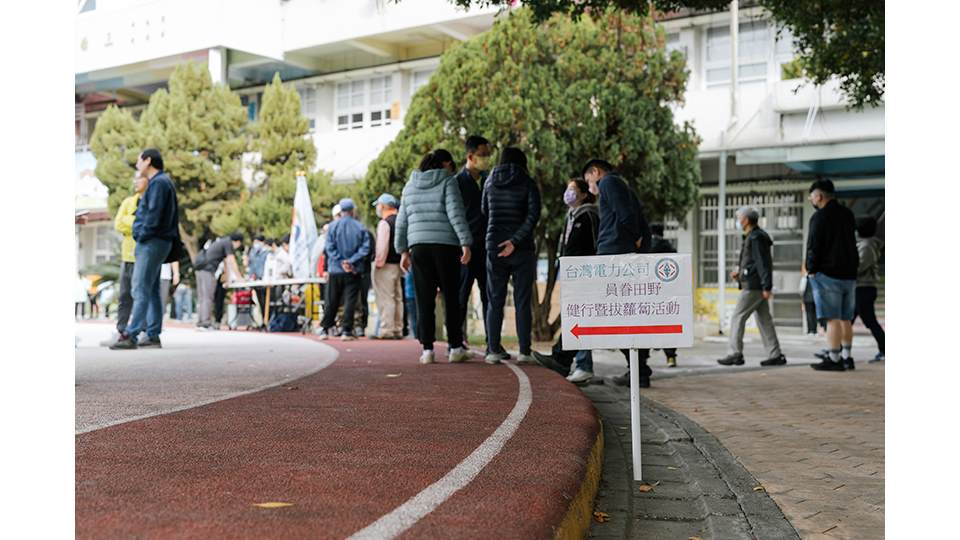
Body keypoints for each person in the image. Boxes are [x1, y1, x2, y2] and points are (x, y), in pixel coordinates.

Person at [395, 149, 473, 364]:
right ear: (444, 164)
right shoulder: (448, 182)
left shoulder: (409, 186)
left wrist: (402, 250)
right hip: (446, 246)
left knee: (424, 298)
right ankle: (455, 346)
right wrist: (465, 242)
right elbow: (455, 213)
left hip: (419, 247)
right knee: (451, 298)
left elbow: (402, 221)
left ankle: (427, 349)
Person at [582, 159, 653, 387]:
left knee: (603, 310)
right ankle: (639, 370)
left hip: (615, 253)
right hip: (618, 250)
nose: (589, 186)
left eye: (588, 180)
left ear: (596, 172)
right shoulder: (619, 184)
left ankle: (565, 358)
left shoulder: (608, 182)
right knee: (622, 313)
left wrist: (634, 237)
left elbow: (627, 215)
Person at [111, 148, 180, 349]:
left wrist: (140, 234)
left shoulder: (158, 183)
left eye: (139, 161)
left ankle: (131, 334)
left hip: (151, 242)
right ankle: (152, 334)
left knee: (139, 287)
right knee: (150, 289)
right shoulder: (163, 182)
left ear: (148, 161)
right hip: (158, 241)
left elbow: (153, 216)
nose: (137, 165)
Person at [532, 178, 599, 381]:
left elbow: (595, 245)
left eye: (572, 189)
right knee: (577, 317)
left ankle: (579, 364)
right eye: (567, 189)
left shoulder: (589, 214)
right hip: (572, 273)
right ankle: (572, 362)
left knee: (581, 317)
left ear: (584, 194)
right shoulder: (571, 215)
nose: (568, 193)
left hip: (585, 274)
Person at [482, 147, 542, 366]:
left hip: (494, 245)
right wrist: (515, 241)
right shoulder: (527, 182)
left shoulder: (489, 182)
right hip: (521, 248)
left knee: (494, 300)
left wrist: (500, 239)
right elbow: (533, 215)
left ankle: (492, 350)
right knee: (522, 300)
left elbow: (484, 211)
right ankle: (525, 351)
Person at [455, 135, 507, 358]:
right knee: (460, 297)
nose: (487, 159)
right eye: (483, 155)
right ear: (470, 156)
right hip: (465, 249)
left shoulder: (491, 179)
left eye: (488, 155)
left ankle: (492, 343)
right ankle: (457, 342)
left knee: (490, 297)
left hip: (487, 248)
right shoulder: (457, 182)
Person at [716, 206, 787, 367]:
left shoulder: (755, 238)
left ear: (746, 220)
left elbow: (763, 264)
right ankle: (775, 354)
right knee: (764, 320)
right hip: (756, 284)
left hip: (753, 286)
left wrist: (766, 286)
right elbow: (755, 263)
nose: (737, 221)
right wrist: (740, 272)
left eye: (738, 217)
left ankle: (735, 353)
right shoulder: (753, 236)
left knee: (737, 317)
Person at [806, 178, 859, 371]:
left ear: (819, 196)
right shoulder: (848, 214)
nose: (811, 199)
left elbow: (813, 246)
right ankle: (847, 357)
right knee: (845, 318)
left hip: (827, 273)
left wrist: (811, 270)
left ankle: (834, 359)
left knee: (832, 318)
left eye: (811, 196)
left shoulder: (819, 217)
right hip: (849, 274)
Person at [317, 199, 370, 341]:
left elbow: (329, 248)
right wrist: (350, 261)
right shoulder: (360, 227)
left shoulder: (333, 227)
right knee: (350, 301)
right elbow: (365, 248)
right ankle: (347, 330)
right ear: (353, 210)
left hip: (335, 269)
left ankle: (325, 329)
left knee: (331, 300)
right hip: (353, 270)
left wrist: (340, 261)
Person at [109, 172, 148, 340]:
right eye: (135, 179)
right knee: (124, 295)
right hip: (127, 256)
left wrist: (129, 221)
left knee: (141, 294)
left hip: (143, 256)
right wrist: (135, 221)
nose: (136, 182)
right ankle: (122, 328)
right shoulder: (128, 202)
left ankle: (142, 329)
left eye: (139, 179)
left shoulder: (150, 202)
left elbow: (147, 224)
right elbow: (118, 224)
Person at [194, 232, 244, 330]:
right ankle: (205, 322)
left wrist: (228, 279)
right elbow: (231, 261)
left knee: (202, 297)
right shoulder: (228, 243)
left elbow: (226, 264)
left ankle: (200, 321)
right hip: (208, 271)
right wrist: (239, 277)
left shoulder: (221, 242)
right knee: (208, 297)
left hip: (200, 270)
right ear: (238, 242)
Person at [371, 193, 404, 339]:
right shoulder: (401, 220)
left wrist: (379, 262)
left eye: (378, 205)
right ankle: (398, 328)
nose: (377, 208)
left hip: (386, 265)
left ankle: (387, 329)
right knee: (398, 297)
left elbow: (382, 246)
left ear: (384, 206)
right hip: (399, 264)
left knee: (386, 297)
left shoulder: (385, 223)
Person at [853, 216, 885, 363]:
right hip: (861, 288)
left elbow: (858, 267)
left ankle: (885, 349)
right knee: (848, 320)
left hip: (863, 288)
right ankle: (837, 349)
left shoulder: (866, 246)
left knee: (869, 321)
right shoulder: (866, 244)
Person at [649, 223, 681, 368]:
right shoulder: (669, 246)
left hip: (650, 291)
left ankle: (643, 360)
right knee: (666, 325)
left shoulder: (648, 246)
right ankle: (670, 357)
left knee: (648, 324)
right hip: (667, 291)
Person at [353, 228, 376, 337]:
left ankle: (360, 325)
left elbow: (371, 252)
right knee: (358, 299)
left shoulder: (365, 233)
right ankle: (356, 325)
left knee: (360, 299)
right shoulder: (365, 232)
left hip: (362, 271)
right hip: (358, 270)